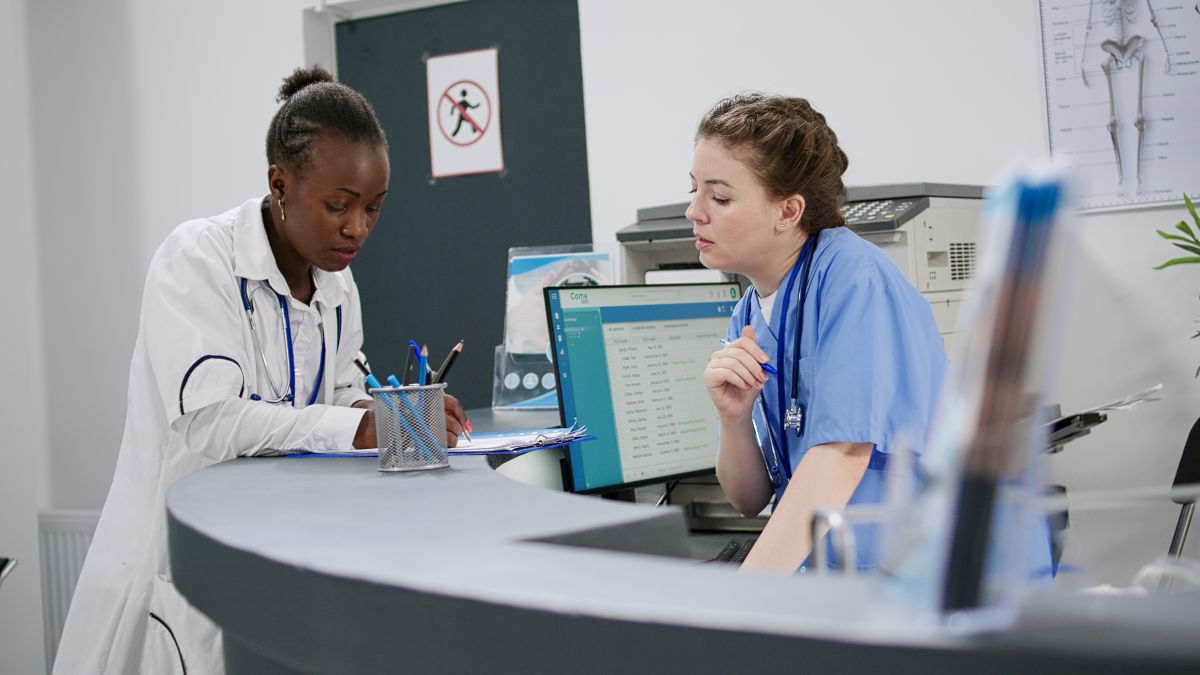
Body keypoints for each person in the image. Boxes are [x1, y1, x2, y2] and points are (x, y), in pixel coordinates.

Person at [54, 66, 468, 674]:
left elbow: (345, 392)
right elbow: (212, 422)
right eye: (339, 205)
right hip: (176, 574)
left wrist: (397, 414)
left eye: (374, 209)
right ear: (279, 182)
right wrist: (356, 427)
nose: (358, 228)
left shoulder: (338, 283)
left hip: (277, 560)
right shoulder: (196, 259)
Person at [695, 94, 945, 574]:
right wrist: (733, 419)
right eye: (694, 190)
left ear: (788, 211)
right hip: (826, 576)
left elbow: (842, 452)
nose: (695, 212)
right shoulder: (751, 310)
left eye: (719, 197)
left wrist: (742, 601)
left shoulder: (855, 281)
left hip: (902, 576)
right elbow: (749, 500)